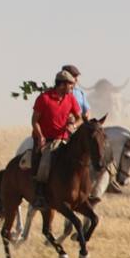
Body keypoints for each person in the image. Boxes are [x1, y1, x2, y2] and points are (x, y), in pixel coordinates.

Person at [31, 70, 82, 211]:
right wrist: (40, 136)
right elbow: (34, 121)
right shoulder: (44, 98)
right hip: (47, 139)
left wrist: (73, 125)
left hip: (64, 139)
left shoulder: (70, 98)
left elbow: (79, 117)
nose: (72, 87)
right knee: (46, 161)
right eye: (70, 84)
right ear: (62, 84)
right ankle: (40, 194)